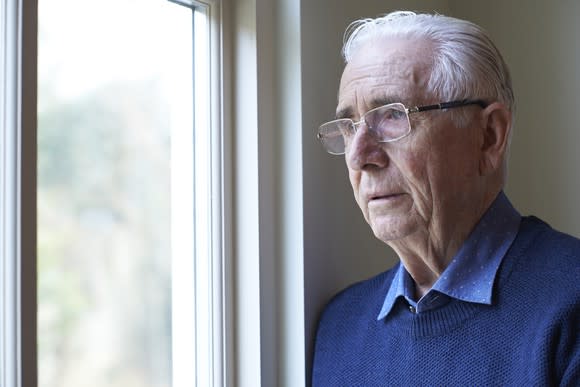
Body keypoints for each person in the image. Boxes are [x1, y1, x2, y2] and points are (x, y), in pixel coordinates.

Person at [312, 11, 580, 386]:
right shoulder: (340, 326)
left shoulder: (569, 301)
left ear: (488, 136)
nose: (359, 156)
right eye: (349, 126)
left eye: (391, 115)